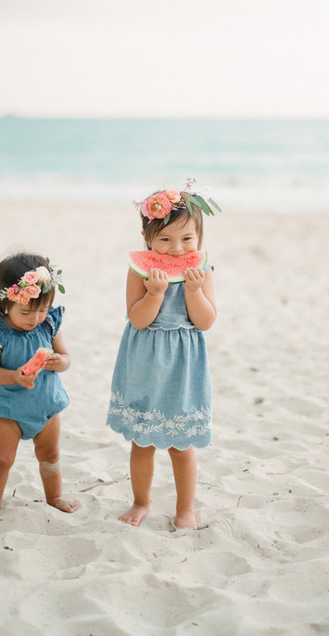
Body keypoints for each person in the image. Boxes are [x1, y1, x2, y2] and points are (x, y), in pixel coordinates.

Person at [107, 181, 220, 529]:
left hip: (183, 368)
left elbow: (205, 322)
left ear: (199, 239)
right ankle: (141, 502)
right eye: (165, 240)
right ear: (147, 241)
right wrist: (154, 293)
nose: (176, 249)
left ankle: (185, 509)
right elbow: (137, 319)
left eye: (187, 239)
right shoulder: (139, 270)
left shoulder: (202, 272)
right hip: (144, 362)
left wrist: (194, 291)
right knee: (142, 443)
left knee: (182, 446)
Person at [0, 252, 79, 518]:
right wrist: (14, 376)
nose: (35, 319)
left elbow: (66, 357)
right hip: (9, 409)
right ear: (6, 304)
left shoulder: (50, 326)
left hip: (46, 406)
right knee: (1, 460)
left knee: (50, 456)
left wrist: (60, 361)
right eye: (26, 312)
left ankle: (54, 496)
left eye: (42, 310)